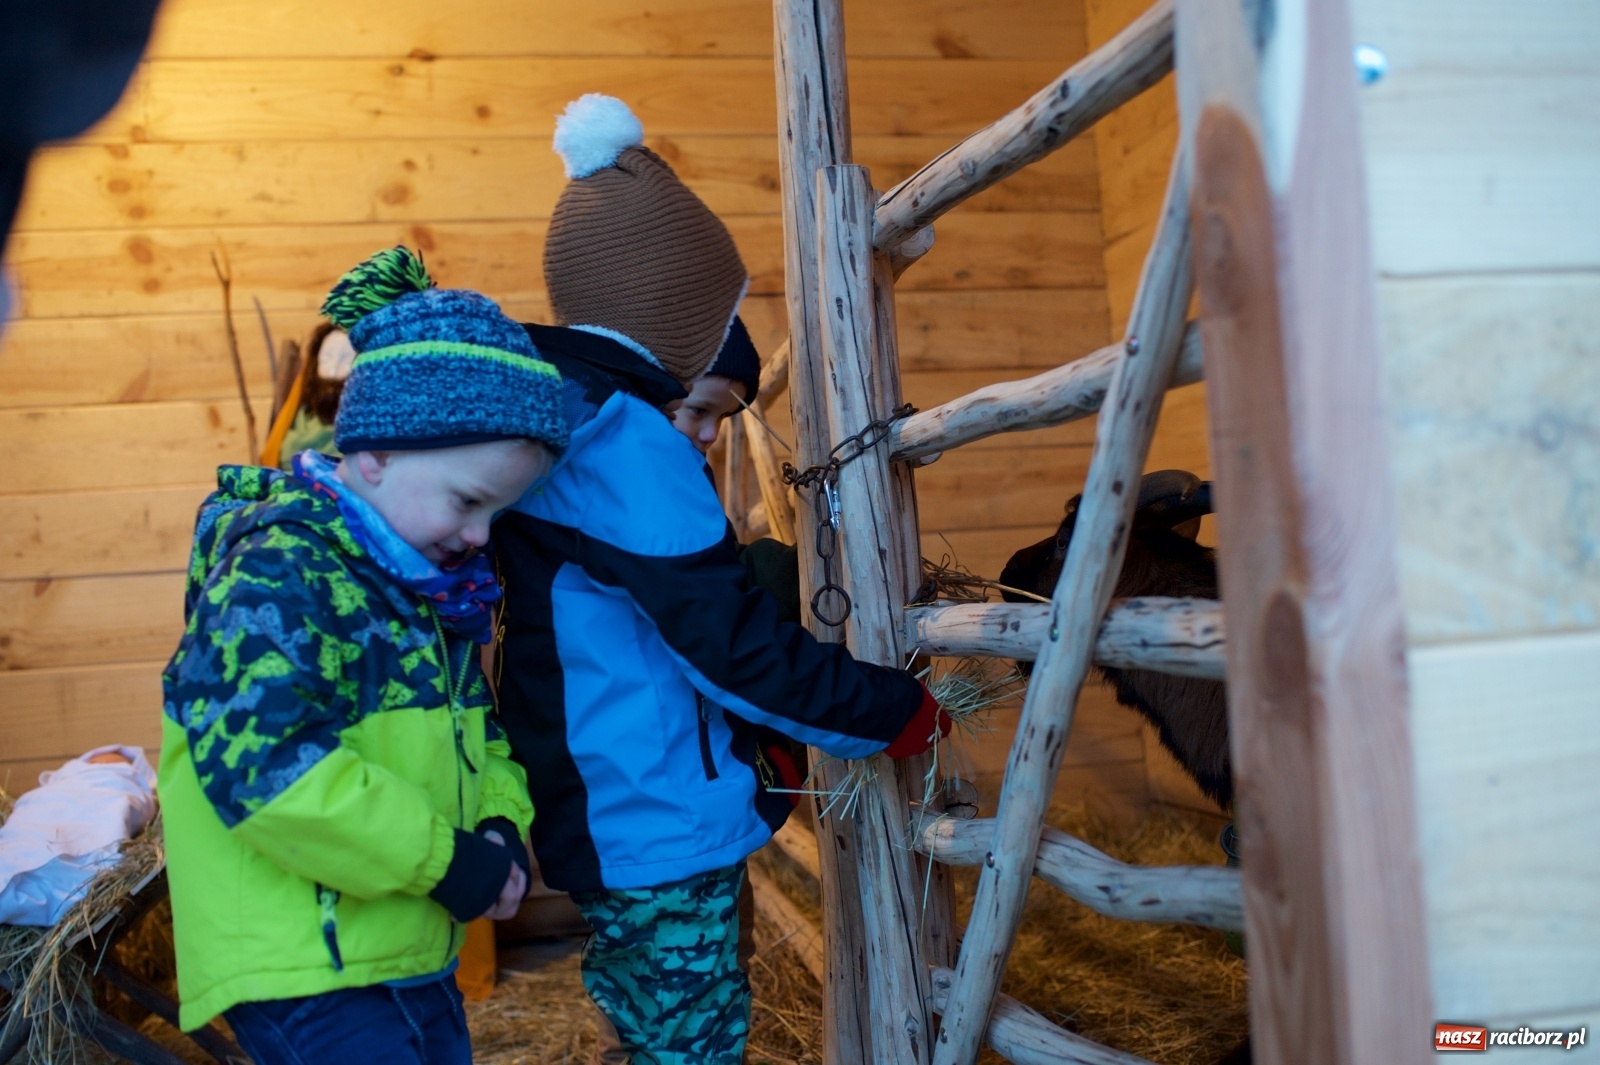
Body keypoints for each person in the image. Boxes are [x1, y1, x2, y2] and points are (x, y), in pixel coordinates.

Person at [493, 94, 947, 1065]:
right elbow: (733, 651)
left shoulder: (559, 427)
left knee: (647, 1037)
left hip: (613, 816)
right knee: (691, 1048)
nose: (701, 435)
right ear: (674, 327)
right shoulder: (626, 451)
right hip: (657, 829)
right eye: (701, 403)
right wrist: (892, 709)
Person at [157, 246, 568, 1065]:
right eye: (467, 500)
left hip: (404, 940)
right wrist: (443, 858)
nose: (479, 534)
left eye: (497, 512)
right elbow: (266, 764)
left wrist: (497, 824)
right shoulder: (281, 572)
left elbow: (479, 735)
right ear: (375, 453)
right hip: (304, 959)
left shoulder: (426, 589)